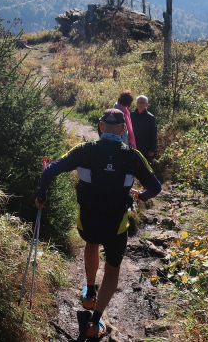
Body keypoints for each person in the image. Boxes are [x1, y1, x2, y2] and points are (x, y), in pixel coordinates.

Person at [36, 108, 161, 338]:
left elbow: (50, 171)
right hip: (116, 224)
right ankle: (94, 323)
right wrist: (141, 196)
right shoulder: (132, 155)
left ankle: (89, 294)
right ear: (123, 129)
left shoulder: (84, 150)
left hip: (89, 219)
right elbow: (156, 187)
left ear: (101, 127)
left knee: (91, 243)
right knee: (112, 270)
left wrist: (41, 196)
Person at [130, 95, 157, 163]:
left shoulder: (150, 118)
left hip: (144, 148)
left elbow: (153, 134)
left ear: (146, 104)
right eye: (138, 102)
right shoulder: (131, 115)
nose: (140, 104)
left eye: (142, 102)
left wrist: (152, 149)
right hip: (131, 146)